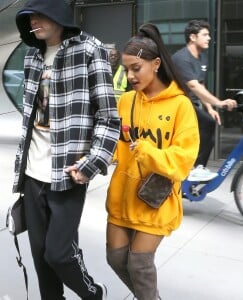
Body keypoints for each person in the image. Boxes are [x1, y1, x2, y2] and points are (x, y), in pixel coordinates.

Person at [13, 0, 120, 299]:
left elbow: (108, 118)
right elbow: (31, 117)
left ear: (57, 13)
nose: (33, 20)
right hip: (33, 173)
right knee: (41, 260)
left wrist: (91, 163)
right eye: (29, 15)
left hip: (68, 173)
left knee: (58, 254)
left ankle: (93, 293)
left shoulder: (89, 50)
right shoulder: (33, 56)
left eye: (39, 13)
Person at [105, 23, 199, 300]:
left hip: (153, 200)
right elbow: (117, 144)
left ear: (156, 63)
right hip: (122, 195)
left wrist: (147, 151)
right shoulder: (126, 102)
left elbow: (183, 160)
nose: (130, 75)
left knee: (139, 265)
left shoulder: (180, 105)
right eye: (126, 69)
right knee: (115, 258)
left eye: (137, 68)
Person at [172, 19, 237, 181]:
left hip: (186, 103)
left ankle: (196, 167)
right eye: (205, 35)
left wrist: (209, 108)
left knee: (208, 122)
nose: (209, 38)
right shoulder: (182, 58)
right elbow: (193, 86)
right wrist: (219, 103)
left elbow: (200, 84)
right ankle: (194, 168)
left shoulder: (202, 58)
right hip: (173, 104)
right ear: (193, 37)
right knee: (206, 124)